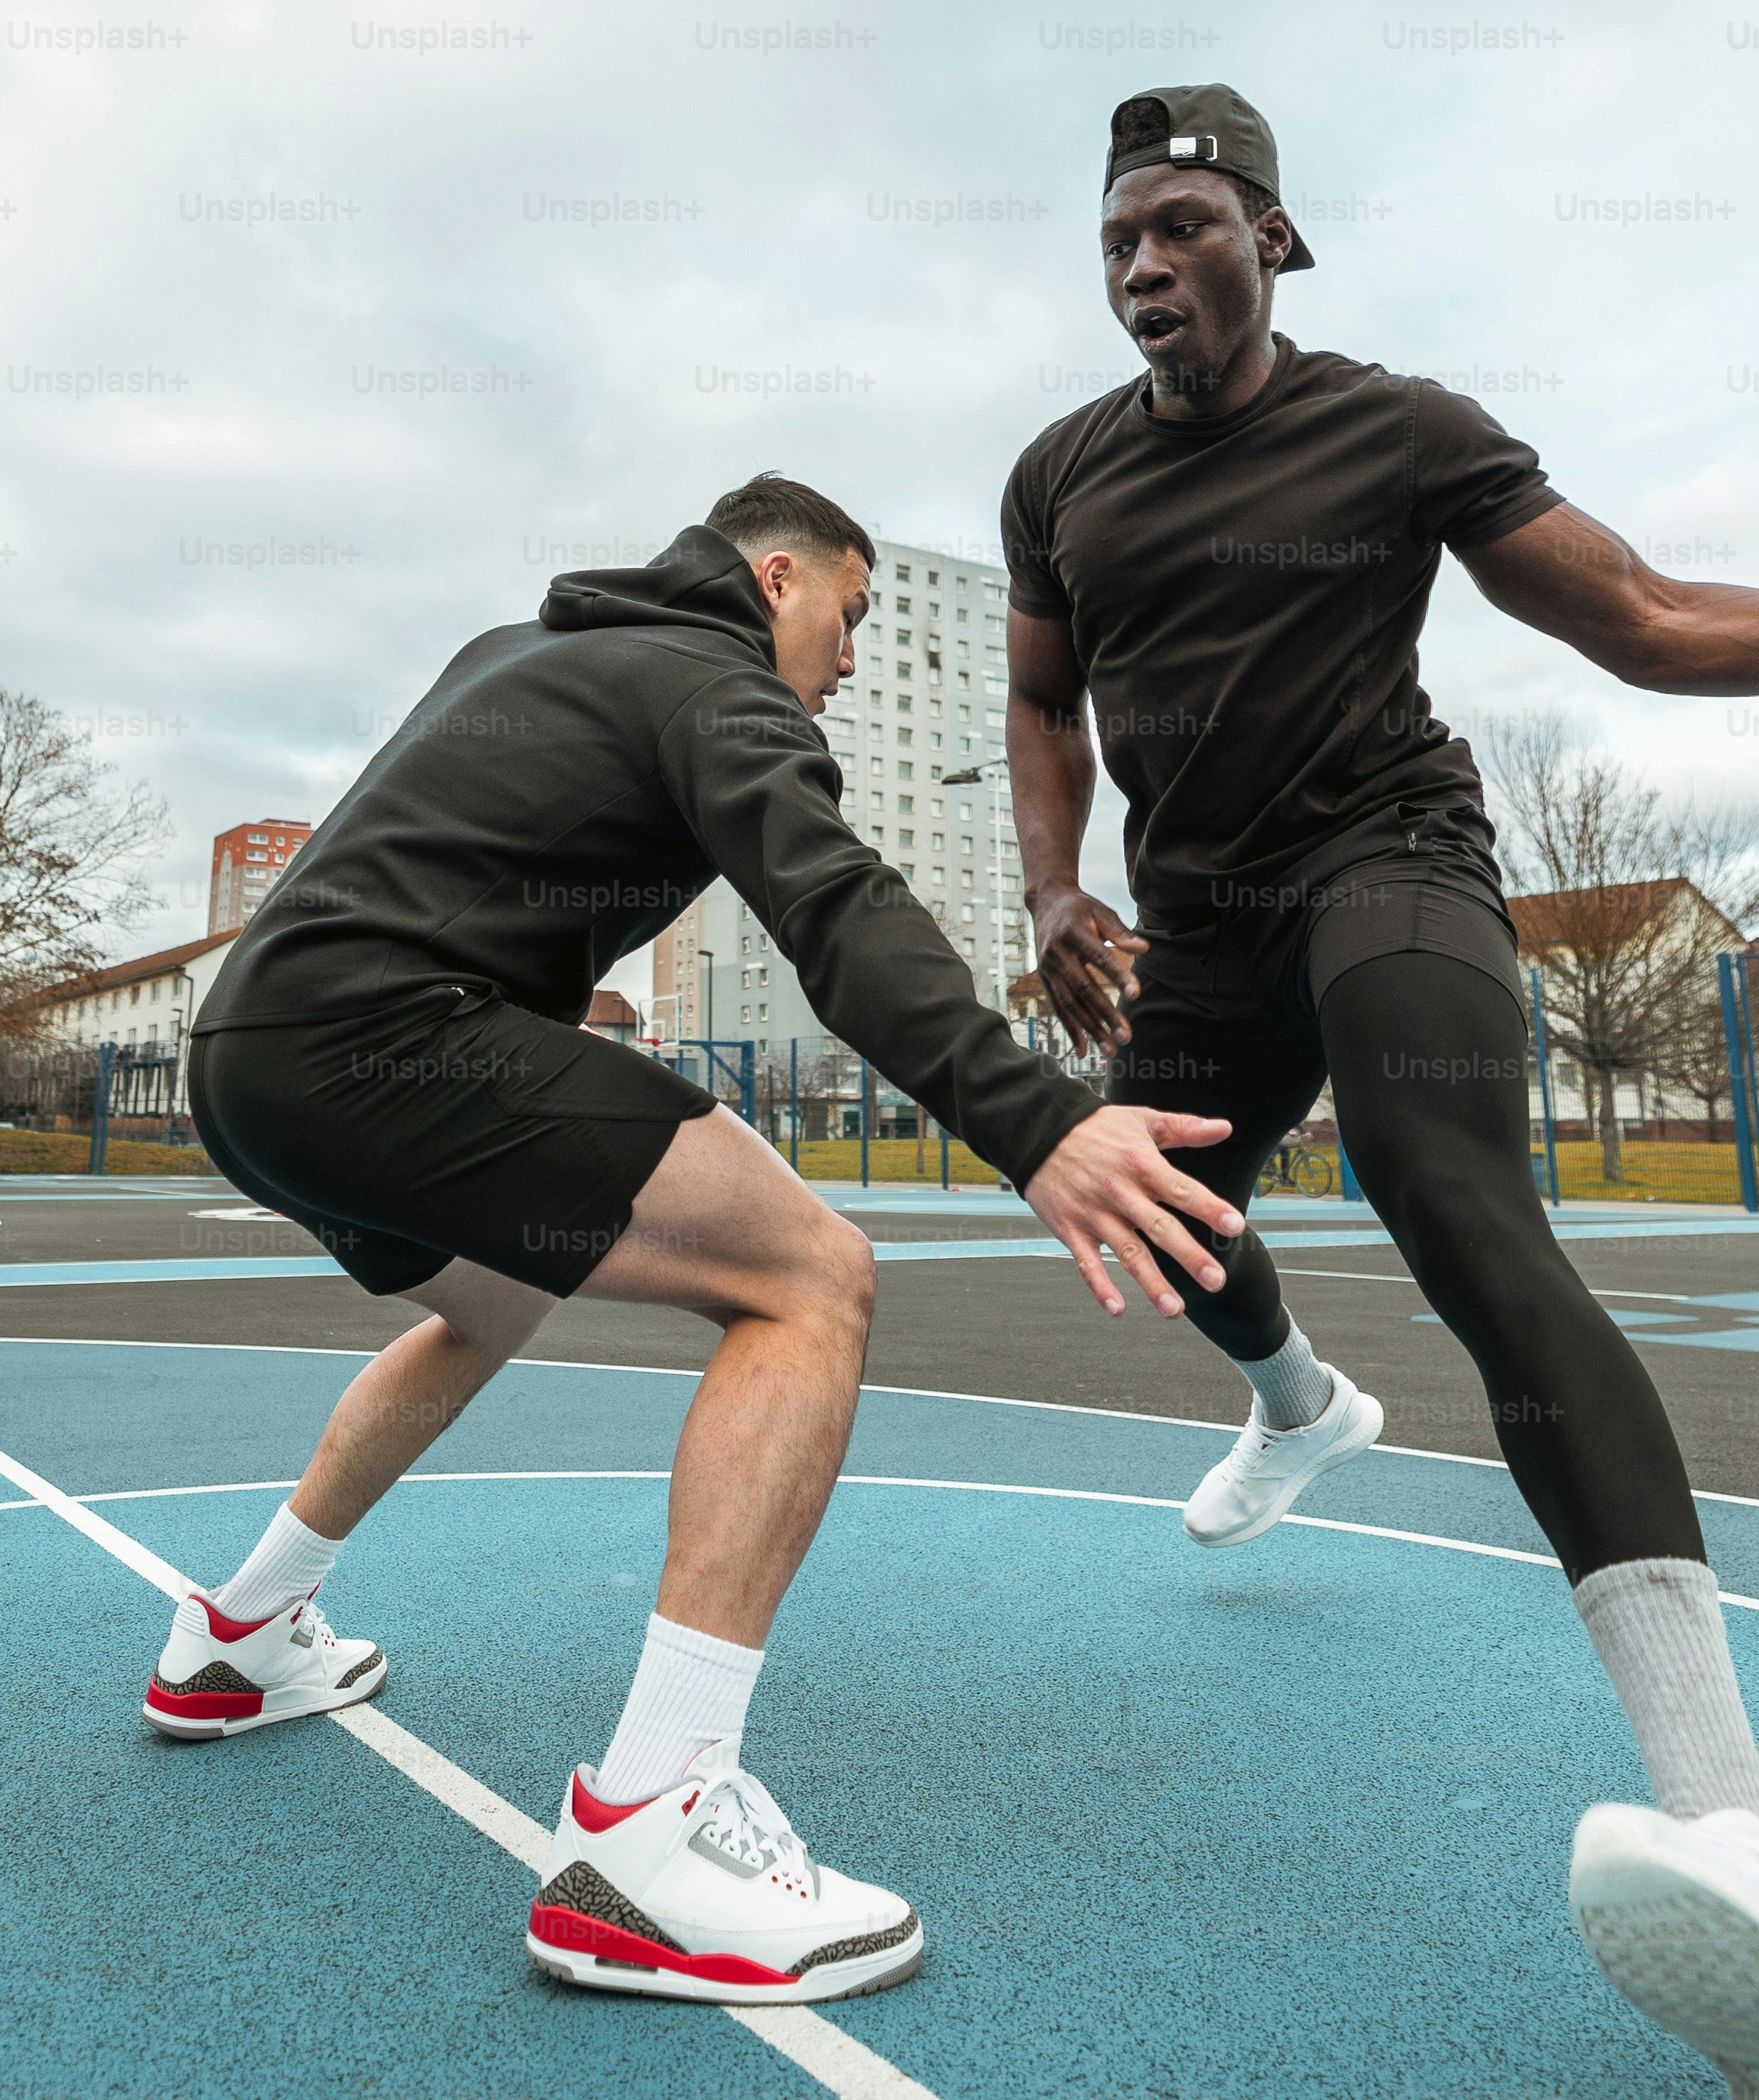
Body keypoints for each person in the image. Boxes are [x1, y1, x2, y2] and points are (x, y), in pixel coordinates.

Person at [1003, 86, 1759, 2096]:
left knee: (1444, 1193)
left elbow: (1641, 618)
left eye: (1180, 224)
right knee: (1157, 1216)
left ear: (1273, 243)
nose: (1137, 263)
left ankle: (1743, 1835)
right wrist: (1047, 880)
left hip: (1389, 859)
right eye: (1113, 235)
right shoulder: (1057, 477)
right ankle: (1296, 1400)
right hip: (1191, 919)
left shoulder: (1403, 427)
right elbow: (1034, 692)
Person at [158, 474, 1244, 2006]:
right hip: (383, 1039)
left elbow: (445, 861)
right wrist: (1036, 1122)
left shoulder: (512, 649)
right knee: (810, 1274)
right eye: (851, 616)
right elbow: (836, 905)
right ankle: (652, 1839)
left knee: (494, 1299)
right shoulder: (714, 679)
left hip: (250, 1054)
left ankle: (240, 1627)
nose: (853, 658)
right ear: (777, 574)